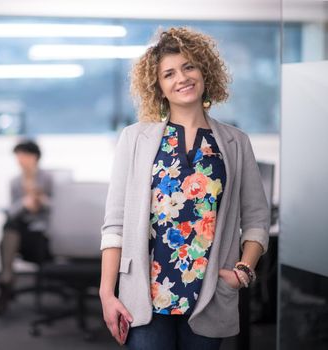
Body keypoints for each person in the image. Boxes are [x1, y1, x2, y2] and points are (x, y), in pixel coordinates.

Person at [99, 27, 270, 349]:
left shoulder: (235, 142)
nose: (182, 78)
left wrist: (243, 270)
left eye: (189, 66)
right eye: (169, 73)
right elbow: (115, 225)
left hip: (208, 292)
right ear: (159, 86)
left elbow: (257, 220)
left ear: (205, 71)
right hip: (144, 292)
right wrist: (107, 293)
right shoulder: (135, 139)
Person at [0, 140, 53, 316]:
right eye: (18, 155)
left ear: (34, 157)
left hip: (41, 231)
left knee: (9, 233)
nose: (20, 159)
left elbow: (58, 208)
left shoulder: (48, 178)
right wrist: (24, 203)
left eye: (23, 155)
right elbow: (12, 211)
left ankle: (5, 284)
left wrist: (41, 201)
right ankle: (7, 278)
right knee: (10, 227)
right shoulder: (15, 182)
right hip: (20, 228)